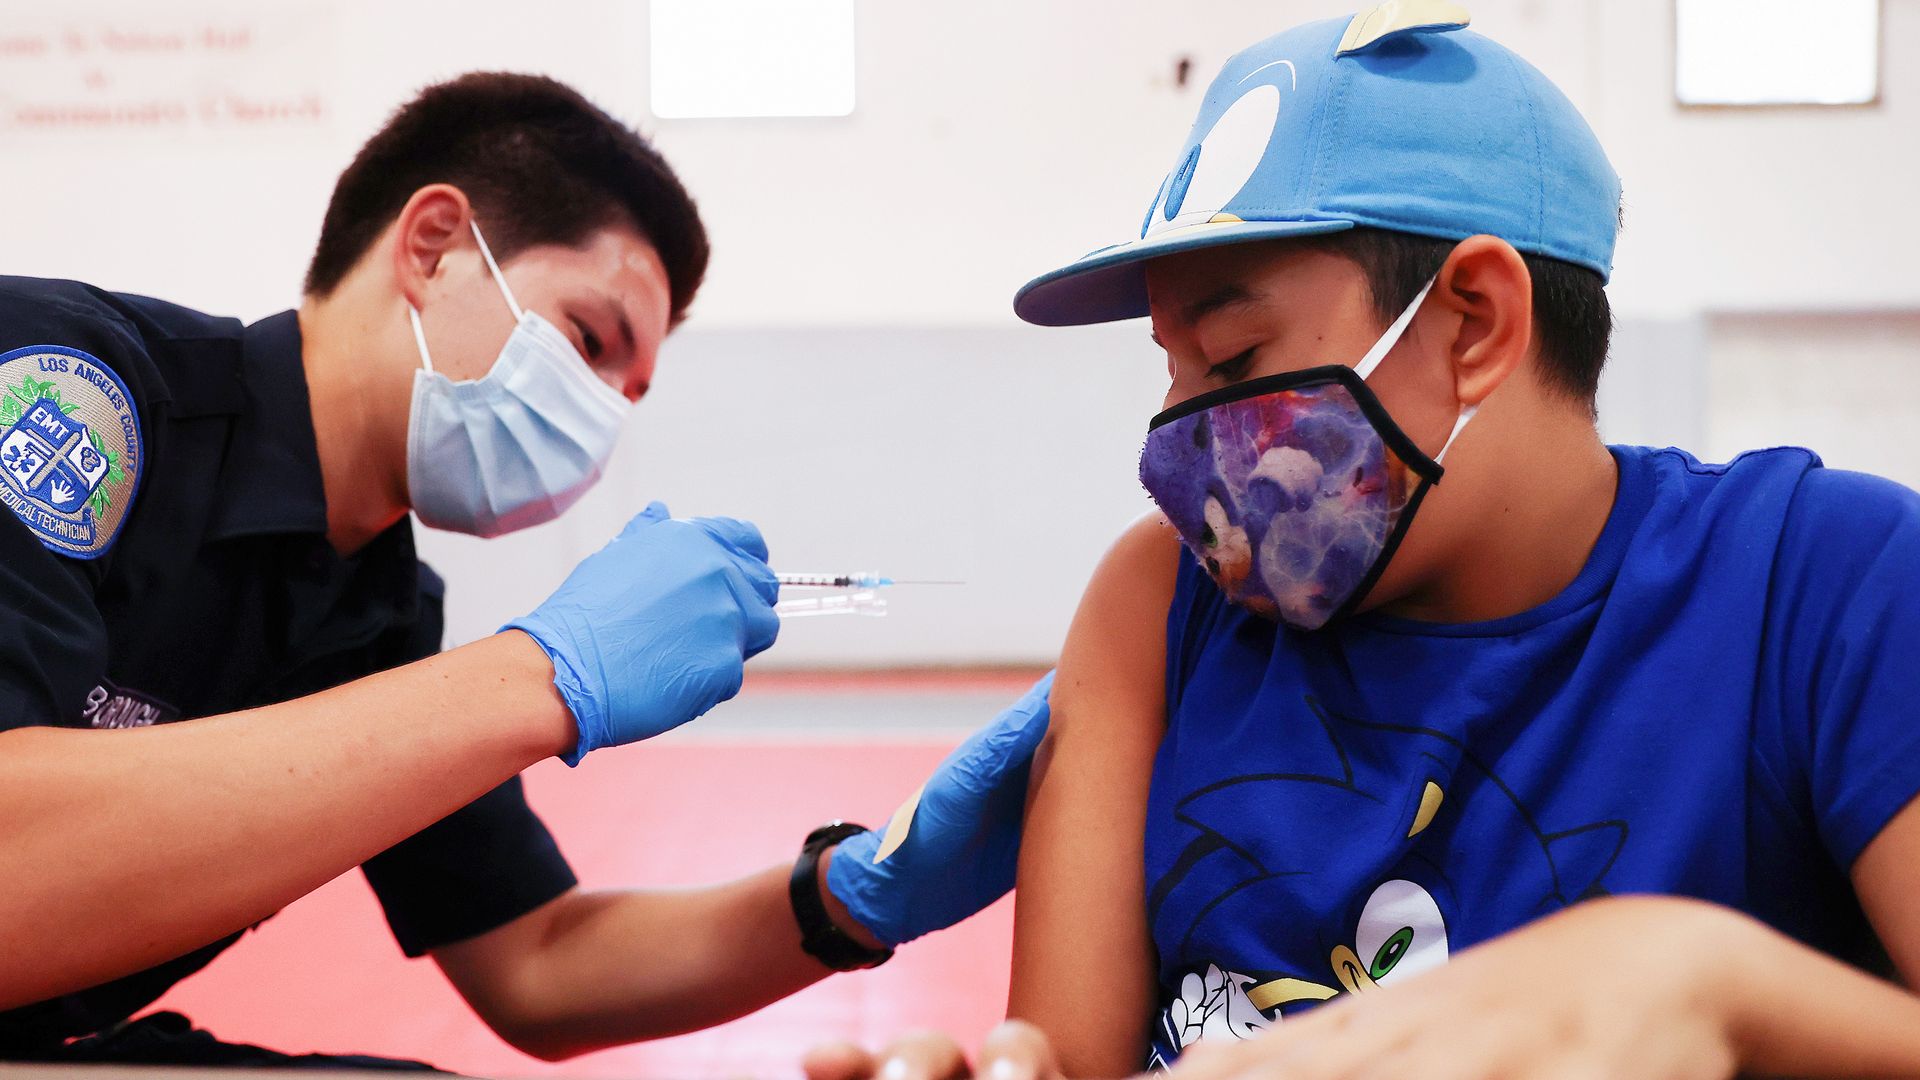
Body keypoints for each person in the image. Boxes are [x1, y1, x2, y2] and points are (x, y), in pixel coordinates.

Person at [804, 7, 1920, 1080]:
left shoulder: (1826, 585)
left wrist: (1720, 993)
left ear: (1475, 322)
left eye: (1234, 361)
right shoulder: (1156, 604)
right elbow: (1058, 1057)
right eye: (1171, 368)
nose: (1182, 438)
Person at [0, 71, 1051, 1068]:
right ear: (434, 244)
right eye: (589, 341)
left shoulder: (374, 619)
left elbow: (540, 964)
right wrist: (541, 674)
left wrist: (846, 895)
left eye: (625, 398)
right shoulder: (71, 392)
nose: (592, 421)